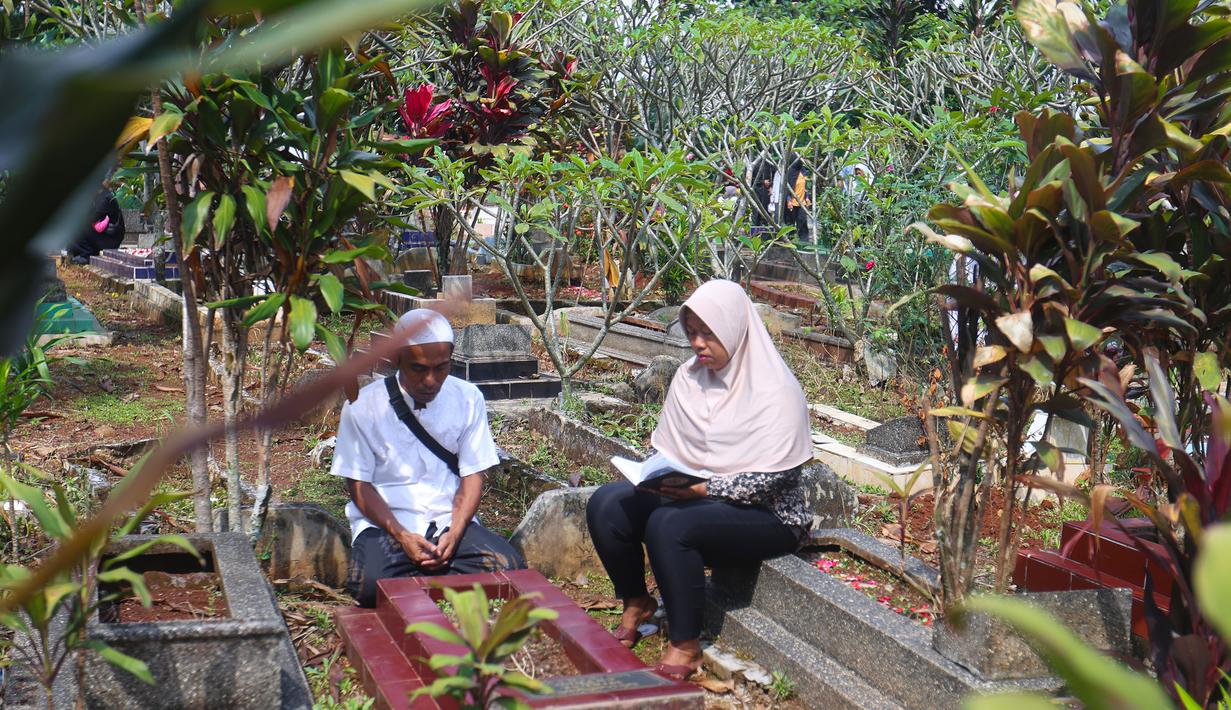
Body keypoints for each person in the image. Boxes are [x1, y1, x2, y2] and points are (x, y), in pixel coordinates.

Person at [586, 280, 814, 679]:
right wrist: (659, 478)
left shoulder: (776, 388)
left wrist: (705, 489)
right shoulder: (689, 379)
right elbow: (672, 450)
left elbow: (777, 479)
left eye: (709, 333)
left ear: (735, 329)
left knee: (669, 523)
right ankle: (637, 601)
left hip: (768, 516)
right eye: (692, 332)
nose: (698, 343)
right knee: (607, 505)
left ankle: (685, 644)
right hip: (700, 500)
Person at [332, 309, 526, 608]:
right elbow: (359, 485)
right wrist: (402, 535)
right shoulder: (362, 407)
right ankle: (444, 579)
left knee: (509, 567)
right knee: (368, 586)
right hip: (389, 524)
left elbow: (473, 474)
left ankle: (421, 577)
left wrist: (457, 530)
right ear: (396, 359)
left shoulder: (467, 398)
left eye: (441, 368)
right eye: (418, 369)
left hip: (449, 520)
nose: (431, 380)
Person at [69, 187, 124, 265]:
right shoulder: (98, 196)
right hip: (101, 235)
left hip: (108, 239)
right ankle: (81, 254)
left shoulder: (105, 198)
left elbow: (91, 218)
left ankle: (85, 255)